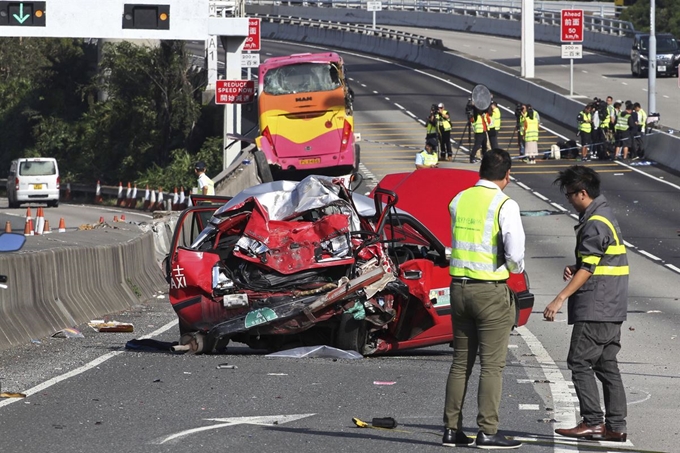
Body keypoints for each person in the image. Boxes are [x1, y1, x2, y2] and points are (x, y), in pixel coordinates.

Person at [443, 148, 525, 449]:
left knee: (460, 363)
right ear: (507, 175)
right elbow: (515, 254)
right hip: (489, 291)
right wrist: (515, 268)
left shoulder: (459, 199)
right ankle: (487, 432)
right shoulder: (505, 204)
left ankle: (451, 430)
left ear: (481, 171)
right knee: (491, 366)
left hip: (459, 288)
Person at [544, 165, 629, 443]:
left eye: (569, 194)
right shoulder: (604, 217)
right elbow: (597, 261)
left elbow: (590, 268)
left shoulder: (594, 223)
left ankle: (593, 422)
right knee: (606, 365)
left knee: (579, 361)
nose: (567, 199)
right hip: (612, 306)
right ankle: (615, 427)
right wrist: (577, 265)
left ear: (583, 193)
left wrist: (560, 298)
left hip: (596, 306)